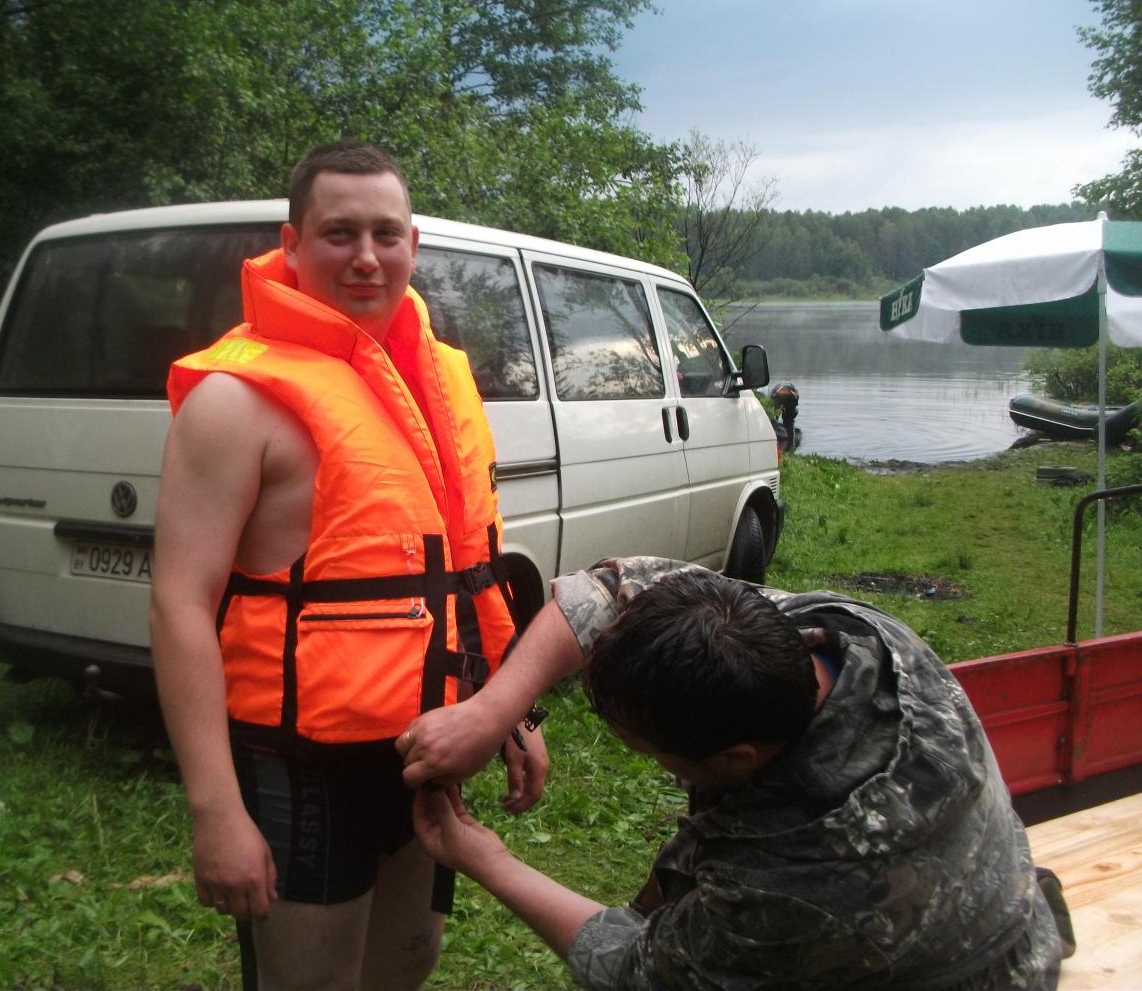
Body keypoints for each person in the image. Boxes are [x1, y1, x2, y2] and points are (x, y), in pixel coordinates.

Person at [149, 140, 545, 991]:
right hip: (302, 761)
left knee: (407, 962)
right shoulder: (236, 399)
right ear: (292, 246)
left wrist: (507, 710)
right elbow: (179, 604)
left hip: (421, 746)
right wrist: (215, 809)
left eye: (385, 233)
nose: (366, 256)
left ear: (413, 244)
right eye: (339, 233)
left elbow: (465, 571)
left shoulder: (432, 381)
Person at [403, 559, 1065, 989]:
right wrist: (497, 709)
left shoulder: (800, 881)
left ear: (736, 759)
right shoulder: (833, 635)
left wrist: (487, 859)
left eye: (644, 748)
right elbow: (608, 588)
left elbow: (636, 968)